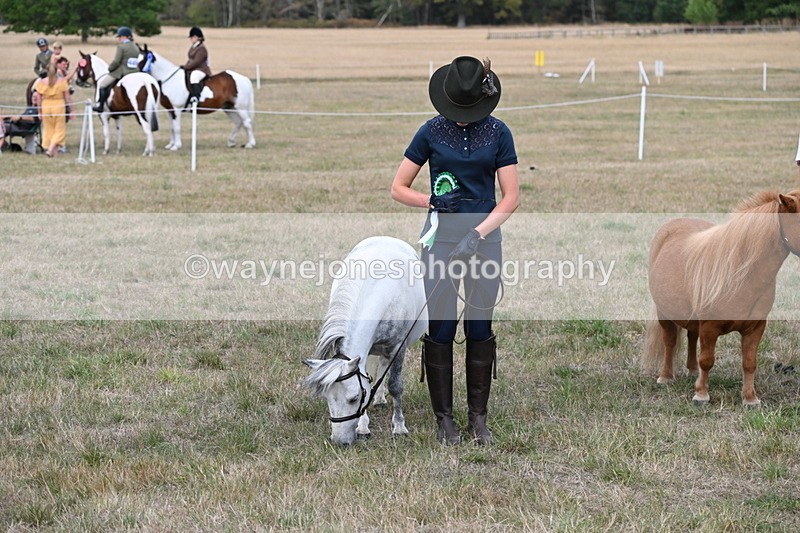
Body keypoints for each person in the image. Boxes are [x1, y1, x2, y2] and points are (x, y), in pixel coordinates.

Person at [390, 56, 520, 446]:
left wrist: (478, 234)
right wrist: (430, 200)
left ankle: (478, 418)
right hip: (441, 242)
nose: (462, 118)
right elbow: (398, 188)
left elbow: (510, 197)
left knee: (479, 328)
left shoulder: (499, 132)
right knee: (441, 328)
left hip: (484, 242)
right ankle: (444, 419)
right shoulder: (430, 132)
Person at [94, 26, 140, 113]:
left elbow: (116, 61)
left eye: (120, 36)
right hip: (135, 71)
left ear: (126, 36)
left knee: (102, 84)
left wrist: (110, 68)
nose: (119, 38)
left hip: (122, 71)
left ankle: (100, 106)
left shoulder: (121, 47)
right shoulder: (135, 47)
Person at [35, 63, 73, 157]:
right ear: (56, 71)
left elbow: (38, 98)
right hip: (58, 106)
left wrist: (39, 111)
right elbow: (67, 98)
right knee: (59, 130)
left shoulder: (41, 82)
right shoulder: (62, 82)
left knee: (49, 129)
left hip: (46, 106)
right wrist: (72, 110)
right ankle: (50, 149)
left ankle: (54, 154)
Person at [184, 26, 211, 103]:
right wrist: (184, 67)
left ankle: (196, 96)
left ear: (196, 37)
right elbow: (190, 60)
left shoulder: (202, 48)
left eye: (192, 37)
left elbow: (196, 62)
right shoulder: (194, 47)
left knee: (194, 76)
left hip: (202, 69)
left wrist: (186, 67)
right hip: (194, 68)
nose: (190, 39)